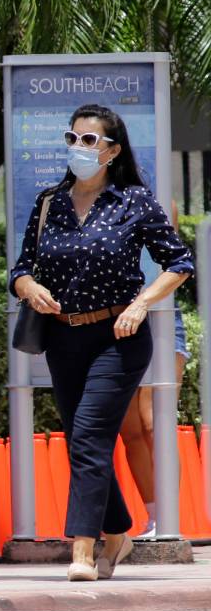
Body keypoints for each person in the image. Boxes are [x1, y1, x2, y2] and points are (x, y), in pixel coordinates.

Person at [11, 103, 192, 582]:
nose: (78, 148)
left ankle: (82, 551)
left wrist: (140, 304)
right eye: (72, 138)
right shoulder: (49, 201)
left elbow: (178, 262)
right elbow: (21, 268)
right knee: (81, 441)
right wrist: (28, 287)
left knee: (90, 435)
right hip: (62, 338)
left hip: (119, 335)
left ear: (112, 150)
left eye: (89, 141)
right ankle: (118, 532)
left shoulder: (133, 201)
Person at [119, 202, 190, 538]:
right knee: (129, 429)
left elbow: (170, 241)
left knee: (153, 421)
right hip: (114, 318)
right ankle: (154, 517)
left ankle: (169, 520)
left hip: (160, 316)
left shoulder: (152, 191)